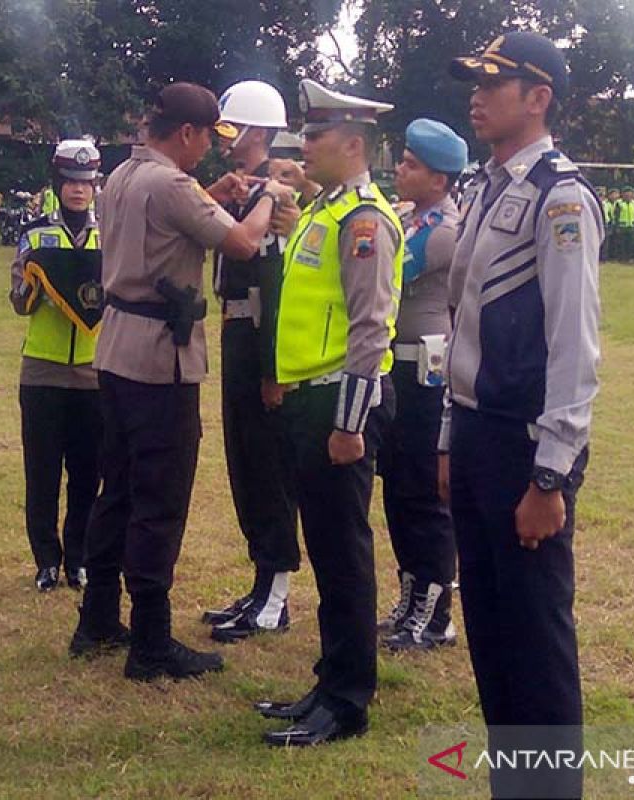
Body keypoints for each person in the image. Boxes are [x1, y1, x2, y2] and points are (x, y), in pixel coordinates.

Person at [68, 83, 296, 679]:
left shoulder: (122, 174)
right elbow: (245, 242)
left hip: (116, 349)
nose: (210, 152)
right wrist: (269, 193)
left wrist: (215, 194)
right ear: (188, 133)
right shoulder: (171, 185)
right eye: (207, 138)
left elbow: (175, 218)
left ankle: (97, 619)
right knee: (159, 499)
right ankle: (151, 640)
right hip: (160, 361)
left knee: (115, 488)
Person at [441, 32, 601, 797]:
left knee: (535, 643)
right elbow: (462, 322)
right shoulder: (487, 185)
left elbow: (574, 346)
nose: (476, 93)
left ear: (538, 98)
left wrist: (552, 474)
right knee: (493, 638)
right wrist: (448, 434)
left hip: (522, 445)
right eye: (474, 80)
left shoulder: (559, 196)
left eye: (493, 82)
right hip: (474, 434)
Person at [253, 78, 401, 747]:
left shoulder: (364, 221)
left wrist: (348, 423)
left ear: (352, 143)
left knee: (344, 555)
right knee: (328, 550)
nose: (304, 145)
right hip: (310, 400)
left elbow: (371, 329)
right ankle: (328, 680)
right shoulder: (326, 211)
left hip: (342, 404)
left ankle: (347, 701)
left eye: (315, 136)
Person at [203, 80, 302, 643]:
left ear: (258, 131)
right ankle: (261, 580)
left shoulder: (279, 193)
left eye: (230, 128)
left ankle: (277, 591)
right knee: (243, 461)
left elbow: (276, 283)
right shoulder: (241, 190)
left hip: (261, 331)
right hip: (235, 328)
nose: (224, 139)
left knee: (267, 468)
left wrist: (272, 370)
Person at [376, 118, 464, 652]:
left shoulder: (443, 230)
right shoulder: (410, 218)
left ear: (438, 177)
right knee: (400, 491)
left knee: (425, 495)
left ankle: (435, 612)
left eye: (410, 164)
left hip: (424, 374)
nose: (400, 170)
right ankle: (411, 595)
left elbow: (388, 273)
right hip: (400, 370)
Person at [10, 140, 105, 593]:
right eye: (70, 181)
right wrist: (32, 282)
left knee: (88, 473)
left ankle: (79, 559)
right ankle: (46, 560)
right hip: (43, 372)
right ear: (57, 183)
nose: (78, 190)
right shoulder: (34, 235)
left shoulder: (108, 234)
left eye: (86, 182)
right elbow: (19, 305)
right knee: (42, 473)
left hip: (94, 374)